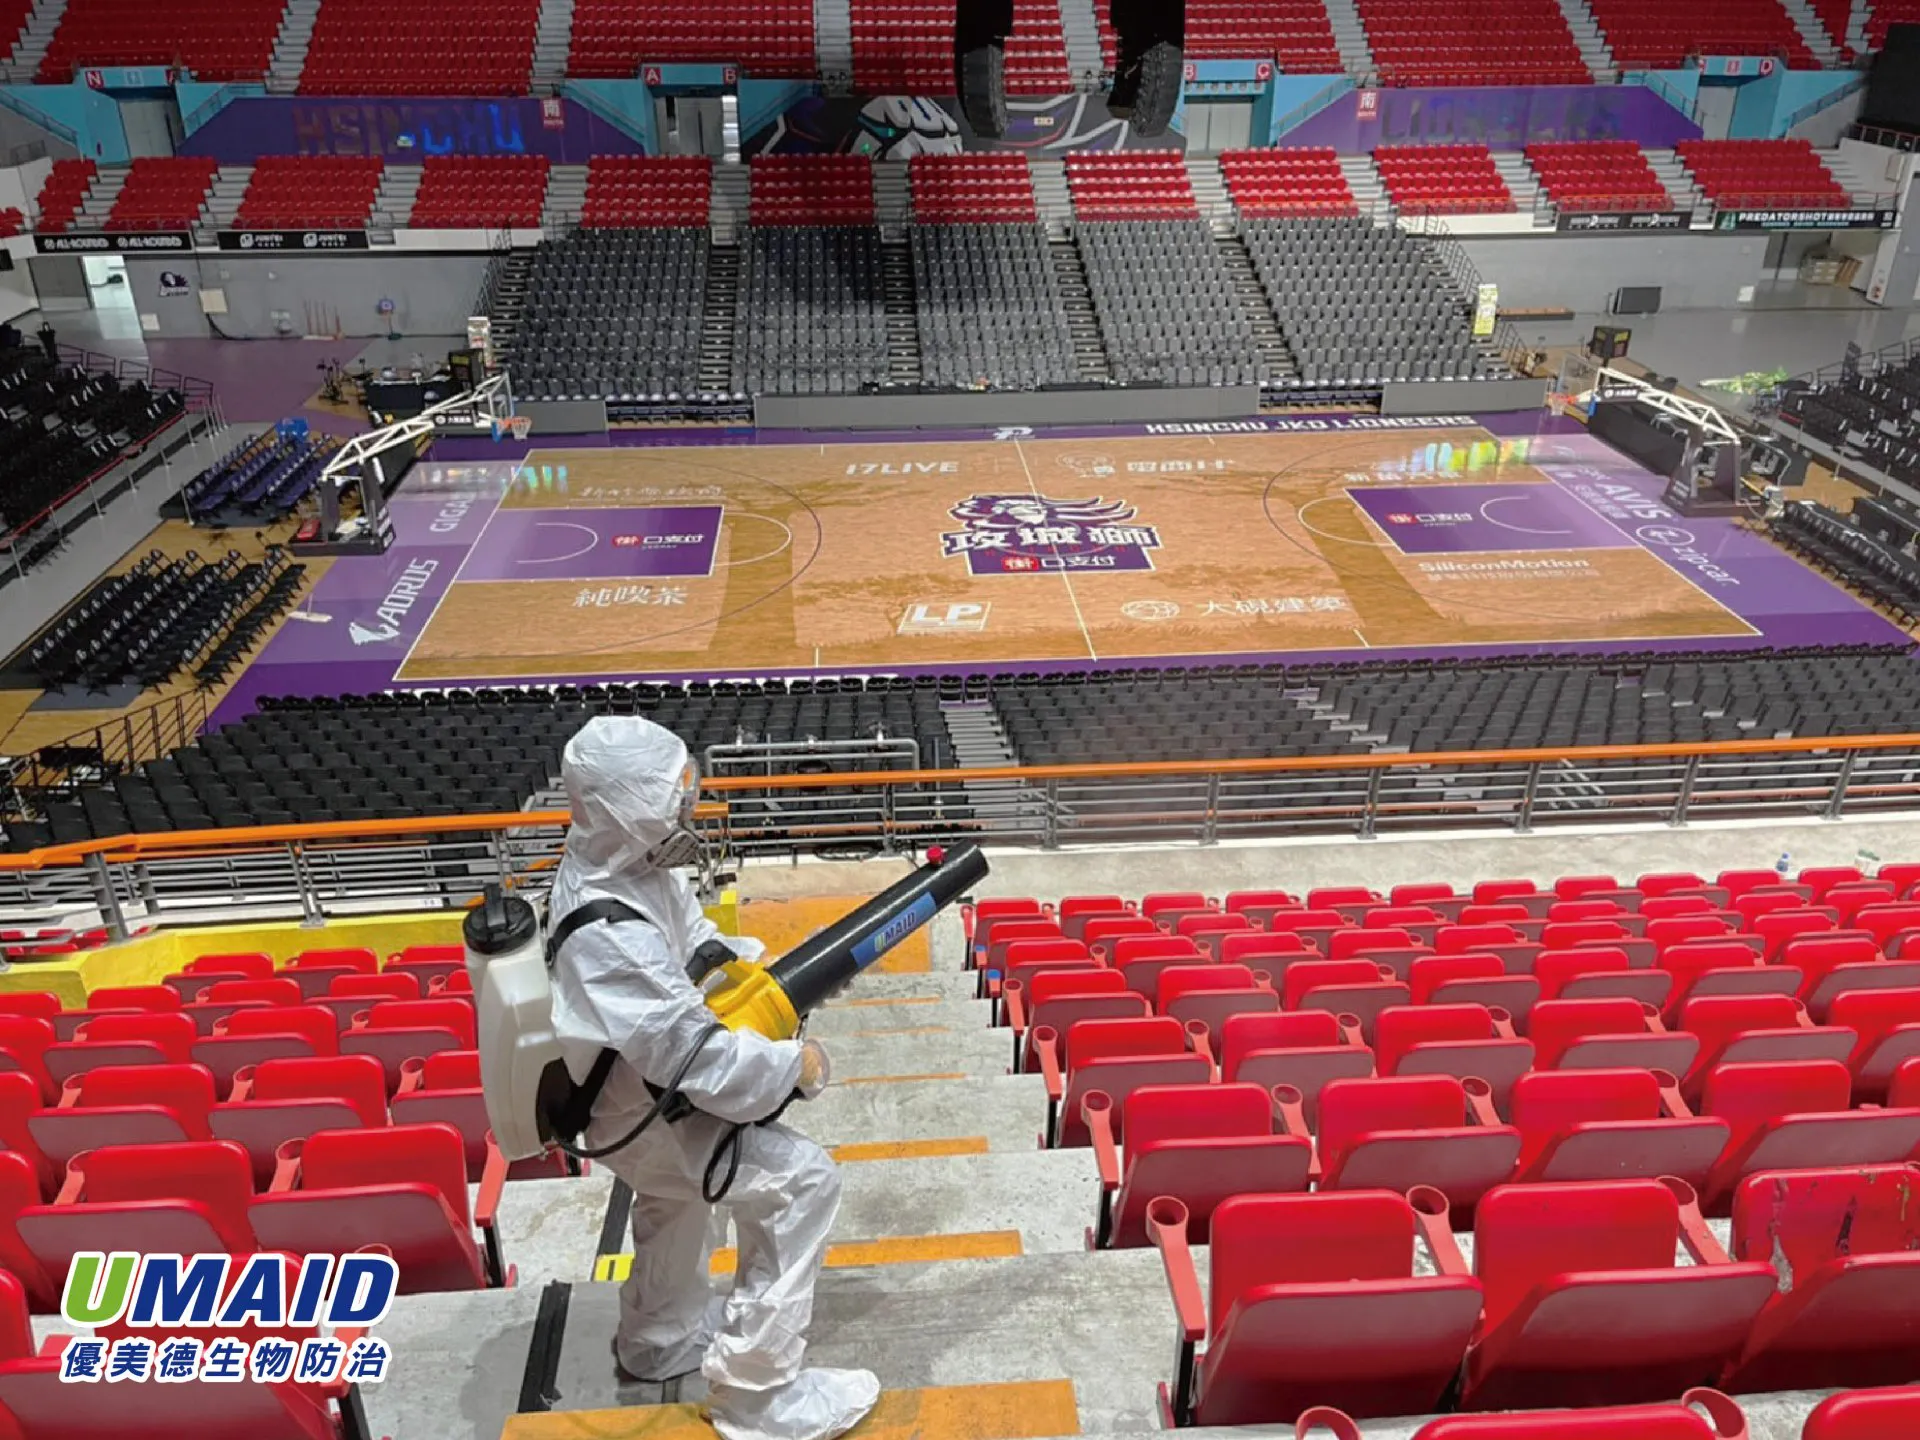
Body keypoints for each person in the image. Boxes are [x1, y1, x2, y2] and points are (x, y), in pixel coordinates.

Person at [546, 716, 878, 1440]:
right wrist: (797, 1067)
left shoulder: (621, 863)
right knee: (801, 1184)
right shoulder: (609, 933)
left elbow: (695, 941)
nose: (688, 810)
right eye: (673, 799)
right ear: (626, 805)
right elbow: (701, 1063)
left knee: (678, 1201)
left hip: (628, 1092)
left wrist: (765, 978)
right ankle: (759, 1398)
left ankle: (657, 1339)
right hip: (642, 1111)